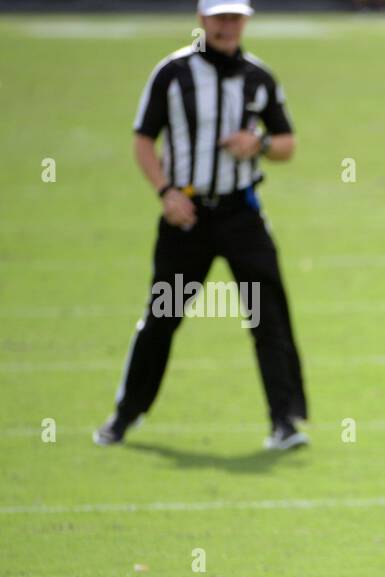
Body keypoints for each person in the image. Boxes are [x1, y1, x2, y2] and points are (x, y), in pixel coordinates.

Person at [95, 0, 308, 451]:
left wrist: (260, 142)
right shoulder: (171, 73)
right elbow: (142, 140)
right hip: (186, 215)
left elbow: (287, 143)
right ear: (202, 19)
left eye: (235, 17)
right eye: (219, 18)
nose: (227, 26)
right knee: (163, 314)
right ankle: (124, 414)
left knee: (268, 315)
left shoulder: (258, 76)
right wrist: (165, 192)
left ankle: (284, 422)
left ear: (246, 21)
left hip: (241, 214)